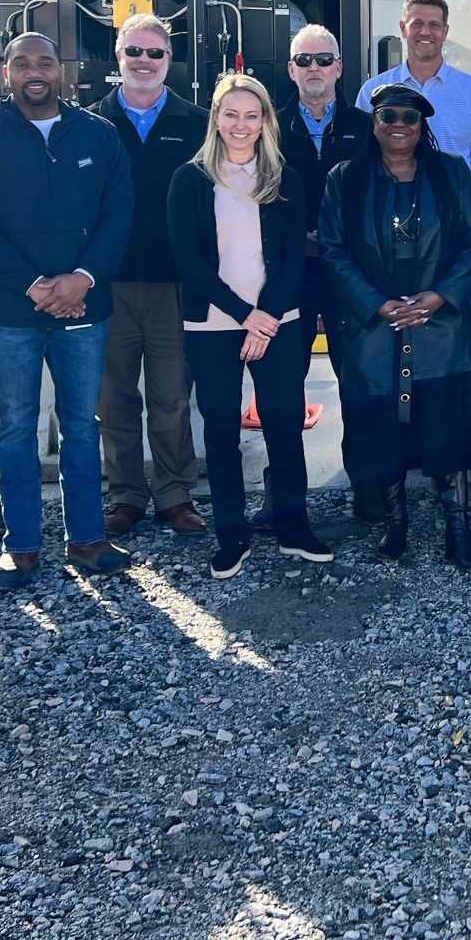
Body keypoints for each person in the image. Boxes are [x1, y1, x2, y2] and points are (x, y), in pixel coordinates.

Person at [0, 32, 136, 588]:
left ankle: (88, 539)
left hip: (86, 307)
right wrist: (33, 285)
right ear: (4, 72)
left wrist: (80, 278)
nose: (35, 71)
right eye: (21, 63)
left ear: (63, 70)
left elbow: (117, 213)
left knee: (81, 424)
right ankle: (21, 546)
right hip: (10, 311)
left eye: (45, 62)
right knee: (15, 427)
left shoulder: (98, 135)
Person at [319, 84, 471, 568]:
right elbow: (332, 249)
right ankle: (397, 524)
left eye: (410, 117)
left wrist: (439, 297)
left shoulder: (452, 172)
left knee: (446, 430)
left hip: (438, 325)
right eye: (388, 115)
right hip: (375, 326)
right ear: (373, 124)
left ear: (423, 126)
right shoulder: (345, 178)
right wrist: (377, 305)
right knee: (385, 433)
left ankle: (459, 530)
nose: (399, 124)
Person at [170, 74, 329, 575]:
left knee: (285, 422)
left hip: (279, 322)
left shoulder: (283, 178)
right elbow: (188, 260)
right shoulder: (190, 179)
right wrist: (245, 317)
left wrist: (267, 319)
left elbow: (290, 259)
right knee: (221, 429)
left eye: (251, 115)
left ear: (265, 122)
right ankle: (231, 535)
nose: (241, 124)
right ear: (216, 117)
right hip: (212, 326)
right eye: (231, 113)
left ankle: (292, 527)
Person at [93, 14, 212, 538]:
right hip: (107, 286)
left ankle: (174, 492)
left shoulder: (196, 123)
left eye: (155, 53)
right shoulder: (91, 125)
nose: (144, 61)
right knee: (113, 398)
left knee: (170, 396)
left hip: (173, 285)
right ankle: (126, 494)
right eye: (133, 52)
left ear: (169, 61)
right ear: (118, 57)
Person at [275, 24, 376, 523]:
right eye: (303, 60)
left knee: (357, 382)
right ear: (291, 69)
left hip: (349, 276)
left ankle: (368, 488)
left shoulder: (367, 126)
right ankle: (286, 496)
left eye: (323, 59)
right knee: (283, 386)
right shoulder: (268, 126)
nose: (313, 69)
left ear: (339, 67)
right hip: (288, 276)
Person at [355, 0, 471, 198]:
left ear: (445, 31)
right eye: (416, 24)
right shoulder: (372, 90)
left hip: (455, 216)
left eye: (434, 25)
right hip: (386, 215)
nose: (425, 32)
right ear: (403, 29)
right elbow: (361, 159)